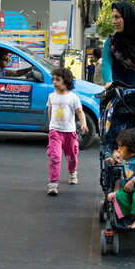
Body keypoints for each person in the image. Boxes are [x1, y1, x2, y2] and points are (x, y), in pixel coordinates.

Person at [46, 68, 89, 196]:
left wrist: (84, 124)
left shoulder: (73, 97)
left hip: (69, 132)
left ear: (66, 81)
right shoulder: (51, 96)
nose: (54, 82)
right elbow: (50, 110)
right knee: (55, 157)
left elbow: (79, 111)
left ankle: (72, 171)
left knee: (71, 157)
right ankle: (53, 183)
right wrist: (51, 126)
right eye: (53, 79)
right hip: (55, 132)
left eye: (57, 80)